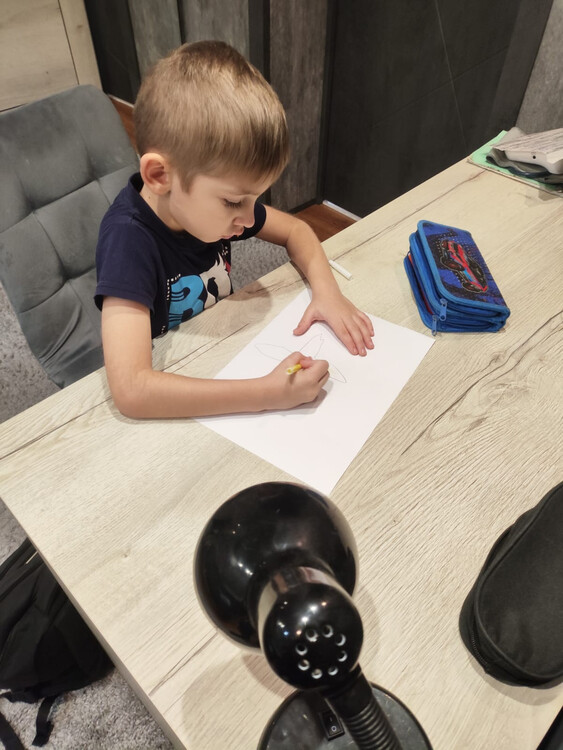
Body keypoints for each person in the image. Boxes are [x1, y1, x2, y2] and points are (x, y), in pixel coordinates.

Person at [95, 40, 374, 419]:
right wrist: (266, 394)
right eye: (232, 201)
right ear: (160, 176)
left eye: (253, 199)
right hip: (172, 376)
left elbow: (296, 230)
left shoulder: (207, 208)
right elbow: (132, 391)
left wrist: (328, 293)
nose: (247, 217)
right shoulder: (127, 242)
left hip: (220, 346)